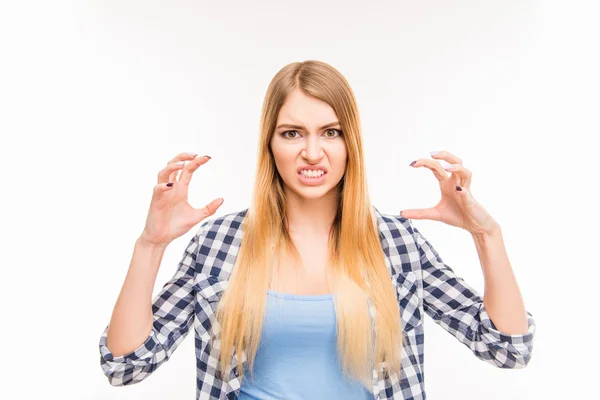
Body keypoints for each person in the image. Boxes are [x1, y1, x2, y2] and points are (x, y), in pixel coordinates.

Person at [98, 60, 536, 400]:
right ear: (270, 145)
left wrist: (487, 235)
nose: (312, 152)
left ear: (351, 144)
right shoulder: (218, 245)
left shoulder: (398, 245)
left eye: (330, 132)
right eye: (292, 133)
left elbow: (506, 348)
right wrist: (150, 244)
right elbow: (126, 364)